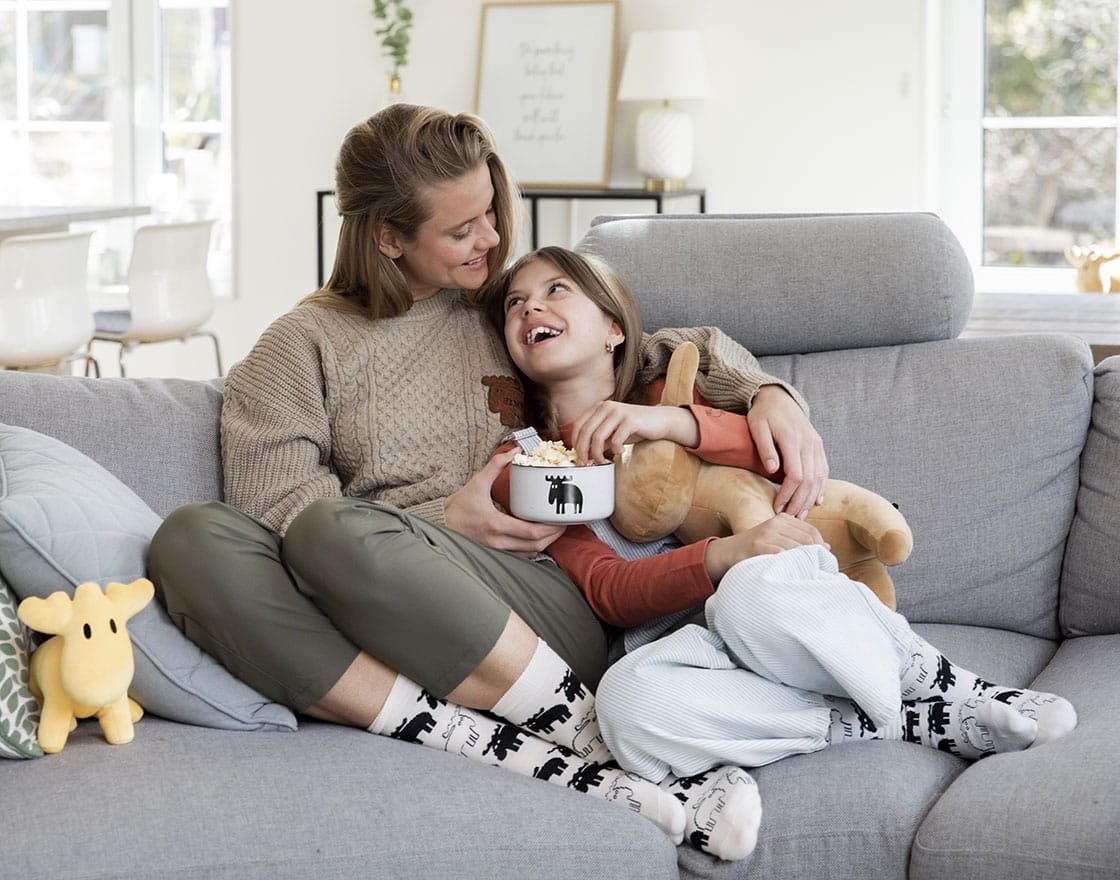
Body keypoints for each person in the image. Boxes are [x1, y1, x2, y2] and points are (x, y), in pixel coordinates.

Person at [146, 104, 824, 857]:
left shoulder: (499, 311)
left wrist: (769, 394)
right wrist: (445, 520)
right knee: (188, 540)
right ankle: (544, 751)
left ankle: (587, 736)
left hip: (538, 599)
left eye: (493, 211)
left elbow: (655, 348)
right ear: (388, 237)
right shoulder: (299, 347)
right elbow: (274, 517)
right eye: (462, 229)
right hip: (372, 591)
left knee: (333, 527)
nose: (494, 240)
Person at [487, 245, 1080, 859]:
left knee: (751, 586)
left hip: (774, 610)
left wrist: (673, 424)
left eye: (556, 290)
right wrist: (722, 553)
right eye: (514, 302)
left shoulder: (669, 391)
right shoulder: (530, 461)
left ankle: (941, 681)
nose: (532, 305)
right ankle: (887, 721)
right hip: (685, 650)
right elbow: (610, 590)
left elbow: (769, 454)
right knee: (624, 704)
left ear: (613, 328)